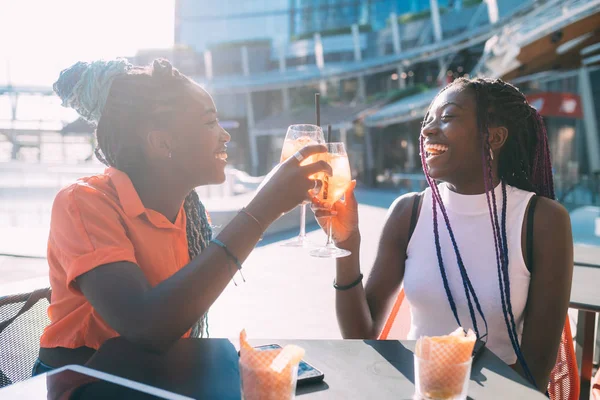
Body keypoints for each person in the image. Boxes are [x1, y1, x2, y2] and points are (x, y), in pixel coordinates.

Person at [34, 58, 331, 374]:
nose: (224, 136)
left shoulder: (190, 213)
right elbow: (147, 326)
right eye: (209, 122)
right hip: (84, 383)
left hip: (159, 376)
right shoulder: (83, 203)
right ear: (162, 142)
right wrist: (262, 210)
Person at [315, 77, 573, 391]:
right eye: (427, 121)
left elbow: (535, 371)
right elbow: (360, 334)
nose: (427, 130)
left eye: (447, 117)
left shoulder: (542, 220)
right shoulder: (408, 212)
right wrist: (346, 245)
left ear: (494, 137)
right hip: (417, 389)